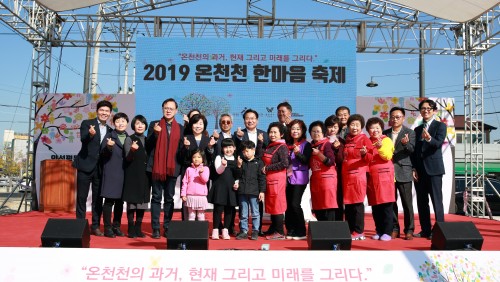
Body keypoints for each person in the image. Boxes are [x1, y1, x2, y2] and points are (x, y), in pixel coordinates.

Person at [146, 98, 184, 239]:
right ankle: (155, 227)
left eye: (171, 108)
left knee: (169, 198)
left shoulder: (180, 128)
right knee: (156, 198)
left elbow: (180, 150)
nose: (168, 110)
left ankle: (167, 226)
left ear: (176, 111)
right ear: (162, 109)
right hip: (156, 168)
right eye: (166, 108)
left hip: (172, 168)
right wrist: (155, 134)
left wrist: (185, 147)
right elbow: (148, 146)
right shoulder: (153, 124)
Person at [74, 100, 112, 236]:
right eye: (102, 110)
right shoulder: (87, 123)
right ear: (97, 111)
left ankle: (95, 226)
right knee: (82, 198)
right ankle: (80, 225)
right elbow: (83, 139)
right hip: (85, 166)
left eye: (107, 111)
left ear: (110, 114)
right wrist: (90, 134)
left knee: (97, 200)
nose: (104, 113)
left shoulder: (110, 130)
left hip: (100, 169)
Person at [411, 99, 447, 239]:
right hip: (419, 171)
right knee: (422, 202)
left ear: (434, 111)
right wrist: (414, 168)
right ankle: (425, 230)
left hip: (434, 170)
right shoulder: (417, 129)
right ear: (420, 111)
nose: (426, 111)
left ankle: (440, 231)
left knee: (437, 201)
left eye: (429, 108)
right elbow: (414, 152)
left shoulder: (440, 126)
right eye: (423, 108)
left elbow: (438, 144)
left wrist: (428, 139)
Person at [383, 107, 416, 240]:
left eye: (398, 117)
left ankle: (409, 230)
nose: (395, 119)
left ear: (403, 118)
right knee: (392, 202)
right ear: (389, 119)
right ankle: (394, 228)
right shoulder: (385, 133)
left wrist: (406, 144)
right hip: (388, 172)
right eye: (392, 117)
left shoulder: (410, 132)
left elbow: (412, 150)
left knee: (407, 203)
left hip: (404, 170)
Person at [234, 109, 269, 235]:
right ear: (244, 121)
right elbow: (236, 150)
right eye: (247, 118)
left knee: (256, 207)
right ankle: (243, 230)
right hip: (244, 170)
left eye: (253, 118)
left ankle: (257, 229)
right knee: (243, 209)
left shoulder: (264, 134)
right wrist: (238, 138)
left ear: (257, 120)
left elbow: (267, 149)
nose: (250, 120)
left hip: (258, 170)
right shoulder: (239, 134)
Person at [342, 114, 374, 240]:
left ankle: (359, 230)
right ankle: (349, 229)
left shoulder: (364, 139)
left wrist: (365, 153)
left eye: (357, 125)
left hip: (358, 175)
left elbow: (370, 158)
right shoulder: (347, 139)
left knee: (357, 204)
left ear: (361, 127)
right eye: (352, 124)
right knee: (348, 204)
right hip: (347, 176)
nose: (354, 127)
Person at [180, 114, 215, 220]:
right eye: (195, 123)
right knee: (188, 208)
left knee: (200, 211)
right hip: (189, 173)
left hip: (202, 174)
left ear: (204, 126)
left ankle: (200, 231)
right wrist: (185, 147)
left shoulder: (207, 139)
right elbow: (181, 158)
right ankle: (187, 226)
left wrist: (210, 148)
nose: (198, 126)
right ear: (191, 125)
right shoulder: (186, 138)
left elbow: (210, 158)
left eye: (201, 123)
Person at [366, 117, 395, 241]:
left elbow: (387, 156)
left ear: (381, 129)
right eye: (372, 128)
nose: (375, 130)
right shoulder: (366, 141)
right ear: (368, 130)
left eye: (377, 127)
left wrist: (380, 147)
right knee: (375, 206)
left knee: (386, 206)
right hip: (372, 177)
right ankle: (379, 230)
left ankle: (387, 232)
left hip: (385, 177)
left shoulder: (387, 140)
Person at [100, 112, 129, 238]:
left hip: (125, 173)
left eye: (123, 121)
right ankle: (107, 228)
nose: (120, 123)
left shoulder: (129, 137)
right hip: (112, 172)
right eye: (118, 121)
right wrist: (109, 147)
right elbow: (102, 154)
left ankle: (116, 226)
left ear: (127, 123)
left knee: (120, 202)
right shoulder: (109, 136)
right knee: (109, 201)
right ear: (113, 123)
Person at [123, 115, 151, 238]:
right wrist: (133, 151)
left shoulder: (148, 139)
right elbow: (127, 158)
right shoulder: (129, 139)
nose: (140, 126)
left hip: (145, 175)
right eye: (138, 123)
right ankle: (130, 228)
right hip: (132, 174)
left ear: (145, 126)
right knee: (132, 203)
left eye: (143, 124)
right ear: (133, 125)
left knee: (143, 203)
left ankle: (138, 228)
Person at [208, 138, 242, 240]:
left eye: (230, 147)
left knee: (229, 210)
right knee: (218, 210)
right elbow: (218, 171)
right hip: (220, 187)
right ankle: (215, 230)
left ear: (234, 148)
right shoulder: (219, 157)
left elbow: (238, 176)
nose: (228, 149)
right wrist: (223, 165)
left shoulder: (237, 160)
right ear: (222, 149)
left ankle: (226, 230)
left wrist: (237, 181)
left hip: (231, 188)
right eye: (226, 147)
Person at [262, 122, 289, 240]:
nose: (272, 135)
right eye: (271, 132)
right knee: (271, 205)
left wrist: (267, 168)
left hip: (277, 180)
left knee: (277, 205)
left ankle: (279, 232)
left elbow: (284, 163)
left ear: (281, 134)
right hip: (270, 179)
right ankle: (273, 228)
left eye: (275, 132)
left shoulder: (282, 147)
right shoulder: (270, 145)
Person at [285, 119, 311, 240]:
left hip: (300, 177)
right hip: (288, 177)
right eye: (293, 128)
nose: (295, 131)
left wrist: (298, 153)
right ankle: (291, 229)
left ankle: (301, 231)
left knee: (295, 204)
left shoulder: (306, 145)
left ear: (302, 131)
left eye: (298, 129)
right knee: (288, 205)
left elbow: (306, 161)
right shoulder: (287, 144)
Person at [235, 140, 266, 240]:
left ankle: (255, 231)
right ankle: (243, 230)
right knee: (243, 213)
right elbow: (237, 176)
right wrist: (239, 166)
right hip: (242, 191)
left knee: (255, 213)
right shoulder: (241, 162)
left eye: (247, 151)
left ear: (253, 150)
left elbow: (262, 178)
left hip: (254, 192)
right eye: (244, 152)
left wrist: (262, 191)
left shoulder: (259, 162)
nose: (245, 153)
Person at [308, 120, 338, 222]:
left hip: (327, 179)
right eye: (313, 131)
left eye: (318, 131)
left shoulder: (327, 144)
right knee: (317, 205)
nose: (316, 134)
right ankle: (321, 232)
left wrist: (319, 154)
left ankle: (330, 233)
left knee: (328, 205)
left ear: (323, 133)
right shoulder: (310, 146)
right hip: (316, 179)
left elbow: (330, 162)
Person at [324, 115, 345, 221]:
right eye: (330, 126)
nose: (332, 129)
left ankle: (338, 226)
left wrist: (337, 149)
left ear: (339, 128)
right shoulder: (321, 141)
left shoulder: (342, 141)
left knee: (337, 199)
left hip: (337, 176)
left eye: (335, 127)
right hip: (323, 176)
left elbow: (341, 160)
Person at [181, 149, 210, 221]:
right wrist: (183, 194)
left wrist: (201, 173)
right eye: (194, 157)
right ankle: (191, 231)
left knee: (201, 216)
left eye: (199, 157)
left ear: (203, 158)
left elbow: (205, 180)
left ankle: (201, 232)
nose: (196, 159)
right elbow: (185, 182)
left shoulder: (205, 168)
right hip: (190, 196)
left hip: (201, 197)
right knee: (191, 215)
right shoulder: (188, 169)